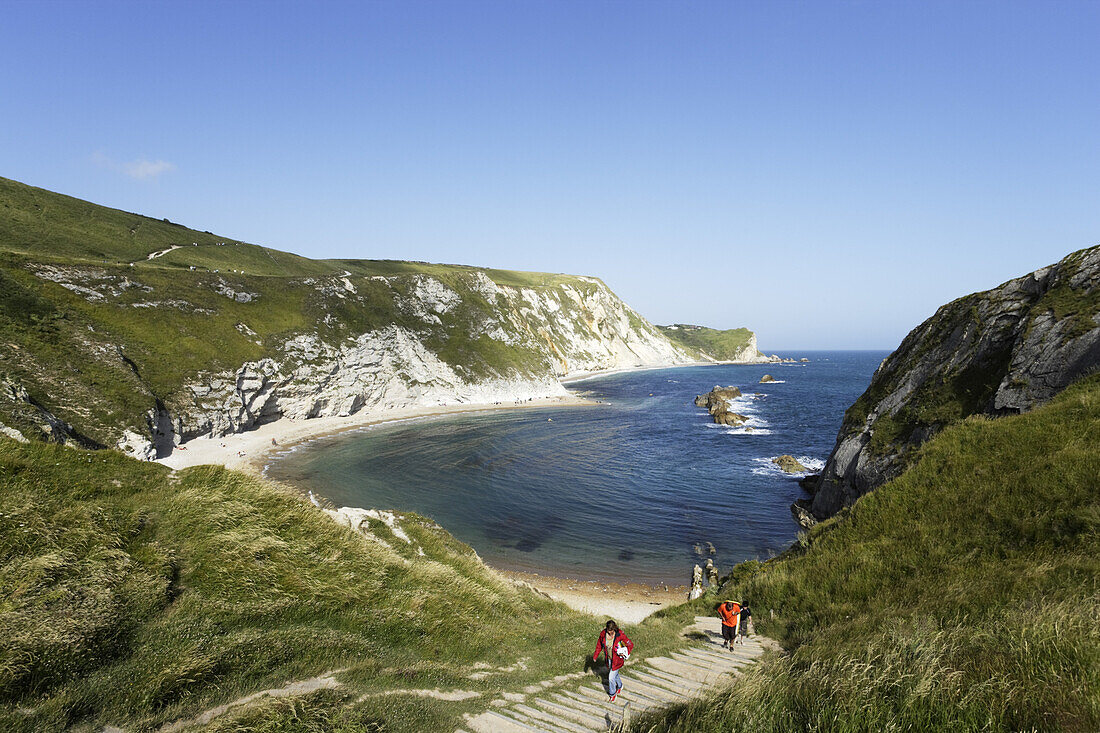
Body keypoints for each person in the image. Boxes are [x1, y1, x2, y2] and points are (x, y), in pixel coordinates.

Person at [592, 620, 633, 702]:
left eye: (611, 631)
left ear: (614, 629)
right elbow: (599, 645)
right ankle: (620, 686)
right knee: (614, 674)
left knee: (611, 678)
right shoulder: (603, 634)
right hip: (609, 659)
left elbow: (630, 644)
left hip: (617, 660)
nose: (610, 633)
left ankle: (612, 694)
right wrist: (595, 655)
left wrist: (625, 653)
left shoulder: (620, 634)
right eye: (608, 631)